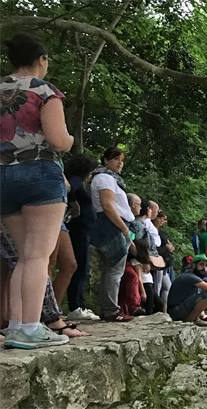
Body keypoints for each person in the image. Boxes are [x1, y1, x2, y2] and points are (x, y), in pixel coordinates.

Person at [1, 34, 74, 349]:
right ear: (41, 60)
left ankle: (18, 324)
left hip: (3, 177)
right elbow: (58, 140)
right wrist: (70, 140)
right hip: (40, 175)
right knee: (37, 256)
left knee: (21, 257)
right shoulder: (44, 91)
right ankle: (31, 328)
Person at [89, 146, 133, 322]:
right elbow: (108, 206)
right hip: (111, 225)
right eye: (116, 159)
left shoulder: (110, 179)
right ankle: (111, 310)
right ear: (106, 160)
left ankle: (110, 308)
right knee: (114, 269)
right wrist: (124, 228)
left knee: (113, 269)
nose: (120, 163)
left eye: (122, 160)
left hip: (113, 224)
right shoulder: (104, 178)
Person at [64, 154, 100, 320]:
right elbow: (70, 189)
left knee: (81, 267)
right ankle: (75, 305)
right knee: (80, 266)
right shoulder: (76, 180)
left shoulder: (79, 182)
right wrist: (73, 203)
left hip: (83, 228)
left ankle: (79, 304)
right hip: (78, 229)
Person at [155, 211, 174, 306]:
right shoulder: (153, 231)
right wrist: (167, 248)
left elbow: (170, 246)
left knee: (167, 287)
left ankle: (164, 310)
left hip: (165, 263)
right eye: (163, 219)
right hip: (157, 262)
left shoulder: (162, 233)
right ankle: (156, 309)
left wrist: (169, 248)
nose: (165, 222)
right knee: (157, 287)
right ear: (158, 218)